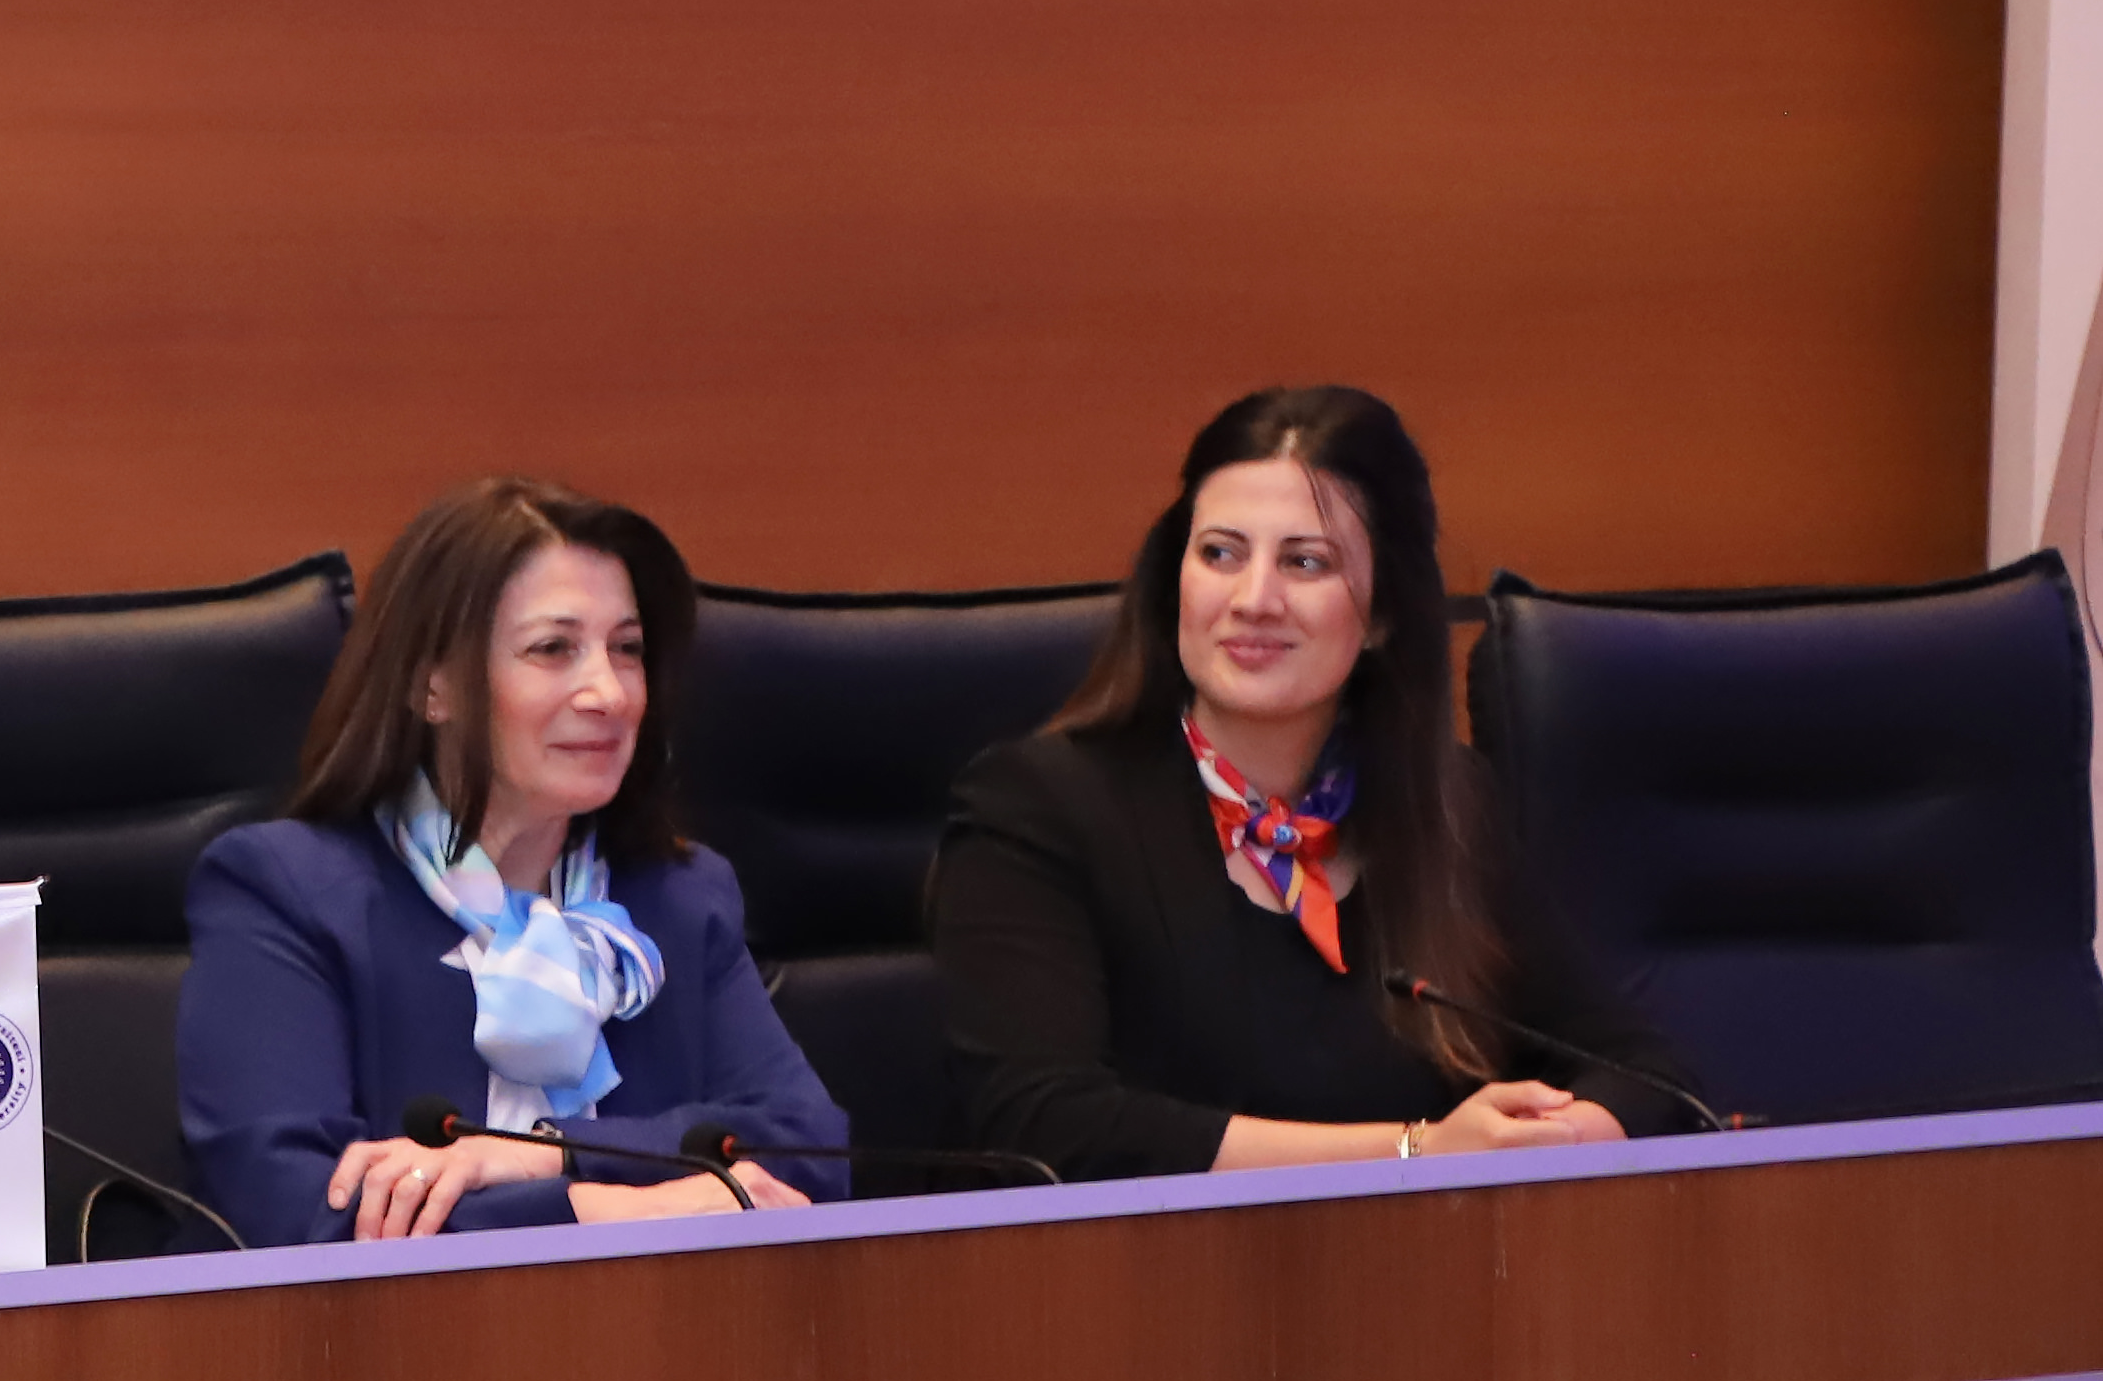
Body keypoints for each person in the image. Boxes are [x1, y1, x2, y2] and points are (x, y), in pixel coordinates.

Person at [931, 383, 1686, 1177]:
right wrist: (1418, 1153)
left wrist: (1551, 1140)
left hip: (1424, 1252)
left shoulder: (1444, 805)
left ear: (1383, 614)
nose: (1254, 599)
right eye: (1220, 553)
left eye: (1305, 562)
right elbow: (1045, 1124)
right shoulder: (1038, 807)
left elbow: (1646, 1073)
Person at [176, 478, 848, 1246]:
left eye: (626, 649)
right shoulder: (286, 891)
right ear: (432, 685)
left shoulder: (679, 898)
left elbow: (812, 1157)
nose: (609, 692)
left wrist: (545, 1154)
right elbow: (292, 1212)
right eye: (553, 649)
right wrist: (618, 1208)